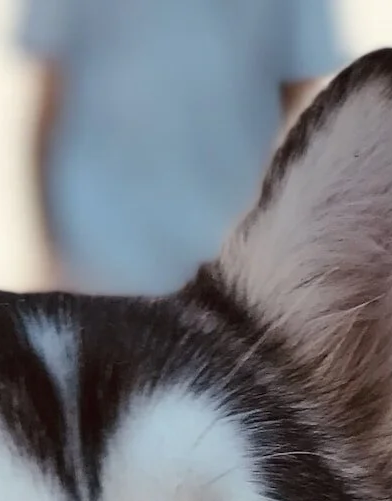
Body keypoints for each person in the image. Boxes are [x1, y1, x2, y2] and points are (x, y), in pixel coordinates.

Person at [20, 0, 344, 294]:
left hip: (222, 240)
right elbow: (52, 95)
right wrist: (51, 249)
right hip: (102, 244)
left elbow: (299, 83)